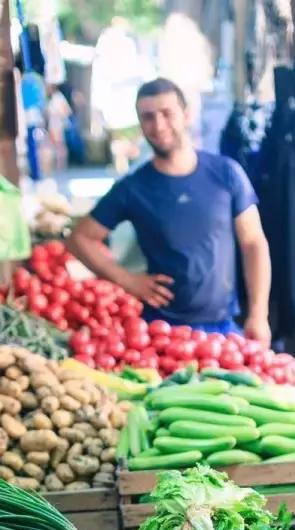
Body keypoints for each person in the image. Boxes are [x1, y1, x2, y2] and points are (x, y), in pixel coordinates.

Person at [68, 77, 272, 344]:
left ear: (186, 115)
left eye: (167, 113)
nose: (159, 125)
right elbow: (79, 238)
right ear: (140, 124)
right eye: (148, 117)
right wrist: (128, 280)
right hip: (161, 332)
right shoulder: (133, 187)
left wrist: (258, 314)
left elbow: (253, 243)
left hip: (223, 329)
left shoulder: (226, 173)